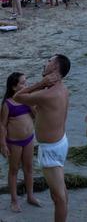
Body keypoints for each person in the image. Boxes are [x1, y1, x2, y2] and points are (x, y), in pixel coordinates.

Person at [14, 55, 71, 222]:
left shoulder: (47, 94)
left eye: (49, 61)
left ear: (55, 68)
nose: (45, 63)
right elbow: (47, 113)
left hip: (50, 150)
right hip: (61, 142)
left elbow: (17, 97)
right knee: (58, 193)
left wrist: (40, 83)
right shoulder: (63, 89)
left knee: (59, 198)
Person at [0, 72, 40, 213]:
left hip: (29, 139)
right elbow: (3, 125)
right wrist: (3, 144)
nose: (26, 85)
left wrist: (30, 104)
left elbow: (37, 116)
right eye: (22, 83)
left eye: (26, 82)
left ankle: (30, 196)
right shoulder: (8, 104)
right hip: (14, 142)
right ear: (14, 87)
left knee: (29, 168)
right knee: (14, 170)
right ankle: (14, 200)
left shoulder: (28, 100)